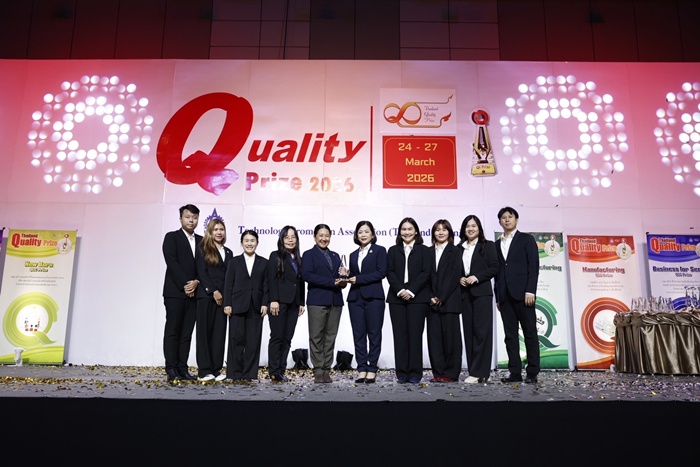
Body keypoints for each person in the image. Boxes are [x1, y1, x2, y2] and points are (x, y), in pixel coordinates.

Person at [494, 207, 540, 384]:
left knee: (530, 333)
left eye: (510, 217)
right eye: (503, 217)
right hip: (505, 297)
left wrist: (531, 290)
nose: (507, 220)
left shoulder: (526, 239)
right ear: (500, 221)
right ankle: (514, 372)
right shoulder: (496, 244)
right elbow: (498, 272)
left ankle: (532, 372)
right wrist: (498, 297)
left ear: (516, 219)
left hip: (524, 295)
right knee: (510, 336)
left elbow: (533, 266)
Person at [386, 217, 431, 384]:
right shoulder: (393, 250)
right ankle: (402, 372)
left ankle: (415, 372)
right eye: (403, 229)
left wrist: (411, 291)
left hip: (418, 298)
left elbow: (426, 273)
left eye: (410, 229)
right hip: (396, 298)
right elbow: (389, 272)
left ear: (416, 231)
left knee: (415, 335)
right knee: (400, 336)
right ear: (399, 232)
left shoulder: (424, 250)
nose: (406, 232)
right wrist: (400, 290)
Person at [301, 224, 347, 384]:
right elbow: (307, 275)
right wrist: (332, 282)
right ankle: (318, 370)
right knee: (316, 336)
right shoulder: (308, 255)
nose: (324, 238)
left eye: (327, 235)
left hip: (335, 300)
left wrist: (343, 280)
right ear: (315, 237)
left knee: (330, 337)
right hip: (317, 301)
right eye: (321, 235)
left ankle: (327, 369)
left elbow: (340, 280)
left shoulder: (335, 256)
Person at [222, 229, 269, 381]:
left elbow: (266, 285)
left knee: (253, 342)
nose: (249, 243)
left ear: (257, 243)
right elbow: (228, 284)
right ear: (242, 243)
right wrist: (227, 304)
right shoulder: (234, 262)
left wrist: (265, 303)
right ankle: (234, 373)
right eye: (246, 241)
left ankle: (250, 374)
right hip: (237, 305)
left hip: (256, 306)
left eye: (252, 241)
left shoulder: (264, 262)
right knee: (236, 340)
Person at [162, 204, 202, 382]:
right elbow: (172, 263)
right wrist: (187, 285)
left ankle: (182, 368)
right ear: (180, 219)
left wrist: (197, 282)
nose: (191, 220)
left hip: (195, 294)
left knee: (186, 333)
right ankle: (171, 368)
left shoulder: (202, 241)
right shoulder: (171, 237)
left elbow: (204, 266)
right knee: (173, 331)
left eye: (194, 217)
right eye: (188, 217)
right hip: (175, 293)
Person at [458, 214, 499, 384]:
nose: (470, 229)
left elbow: (495, 267)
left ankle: (481, 372)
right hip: (464, 294)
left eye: (474, 226)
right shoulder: (459, 248)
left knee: (482, 333)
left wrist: (477, 277)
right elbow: (454, 269)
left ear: (479, 228)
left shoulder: (488, 245)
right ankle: (473, 371)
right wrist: (460, 278)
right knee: (469, 333)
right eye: (467, 226)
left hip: (482, 293)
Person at [346, 220, 387, 384]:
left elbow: (381, 272)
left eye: (366, 231)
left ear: (372, 234)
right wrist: (346, 274)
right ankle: (361, 368)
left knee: (374, 334)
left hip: (374, 298)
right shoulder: (352, 255)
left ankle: (372, 368)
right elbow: (353, 276)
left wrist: (359, 279)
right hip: (355, 299)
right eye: (360, 232)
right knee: (358, 335)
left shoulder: (379, 250)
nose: (363, 235)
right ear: (356, 235)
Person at [195, 218, 233, 382]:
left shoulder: (229, 252)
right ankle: (204, 371)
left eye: (221, 229)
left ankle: (216, 369)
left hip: (223, 299)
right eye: (216, 229)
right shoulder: (203, 248)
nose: (219, 232)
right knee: (204, 334)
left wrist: (226, 296)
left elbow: (229, 277)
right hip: (206, 297)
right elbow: (202, 272)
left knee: (219, 334)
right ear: (210, 231)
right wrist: (213, 291)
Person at [267, 226, 305, 383]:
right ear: (282, 239)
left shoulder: (298, 258)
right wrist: (273, 300)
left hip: (294, 303)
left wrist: (301, 302)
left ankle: (281, 370)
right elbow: (271, 279)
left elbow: (300, 281)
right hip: (279, 302)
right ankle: (274, 371)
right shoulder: (275, 255)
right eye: (287, 237)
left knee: (287, 338)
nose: (290, 240)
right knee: (277, 337)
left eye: (293, 236)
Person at [427, 219, 463, 383]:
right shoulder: (427, 252)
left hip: (450, 301)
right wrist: (431, 296)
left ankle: (451, 373)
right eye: (437, 229)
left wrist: (441, 296)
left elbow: (454, 275)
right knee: (434, 339)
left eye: (444, 229)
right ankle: (438, 372)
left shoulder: (455, 251)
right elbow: (425, 276)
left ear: (449, 232)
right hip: (431, 302)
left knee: (451, 339)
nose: (440, 232)